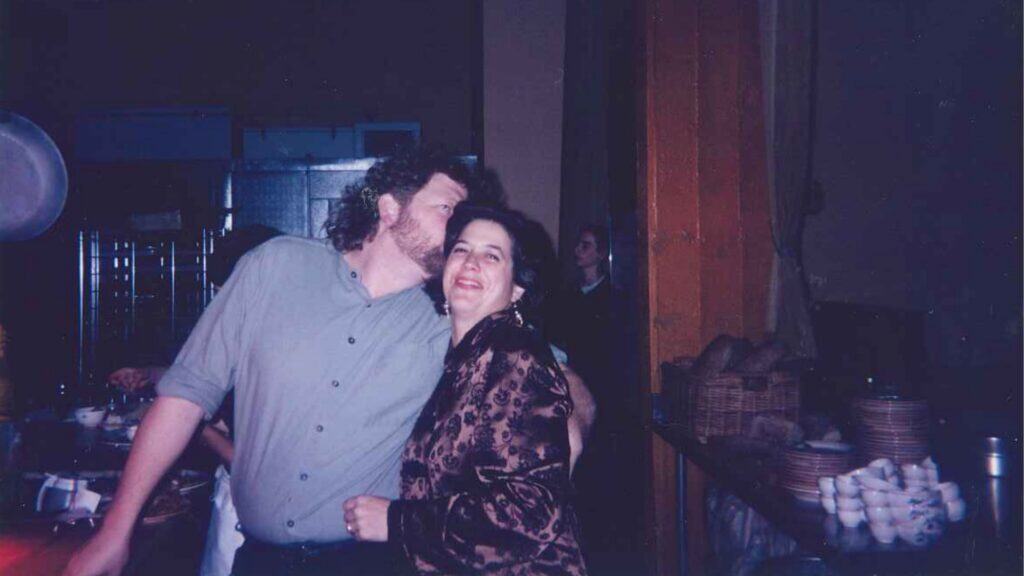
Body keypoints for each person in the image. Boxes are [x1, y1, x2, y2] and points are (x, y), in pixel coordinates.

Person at [64, 146, 593, 576]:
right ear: (390, 208)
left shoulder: (452, 317)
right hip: (259, 561)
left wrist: (567, 432)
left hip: (369, 561)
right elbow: (185, 395)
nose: (461, 229)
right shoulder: (275, 267)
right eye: (447, 209)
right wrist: (117, 529)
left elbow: (554, 382)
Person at [344, 203, 587, 574]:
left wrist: (396, 522)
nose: (471, 263)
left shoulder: (511, 354)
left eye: (492, 256)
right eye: (461, 250)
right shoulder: (464, 356)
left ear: (517, 286)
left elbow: (528, 510)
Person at [106, 225, 284, 576]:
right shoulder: (259, 334)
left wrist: (195, 424)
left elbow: (250, 463)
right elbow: (208, 380)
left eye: (227, 293)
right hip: (232, 505)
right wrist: (149, 373)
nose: (223, 305)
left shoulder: (282, 351)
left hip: (255, 517)